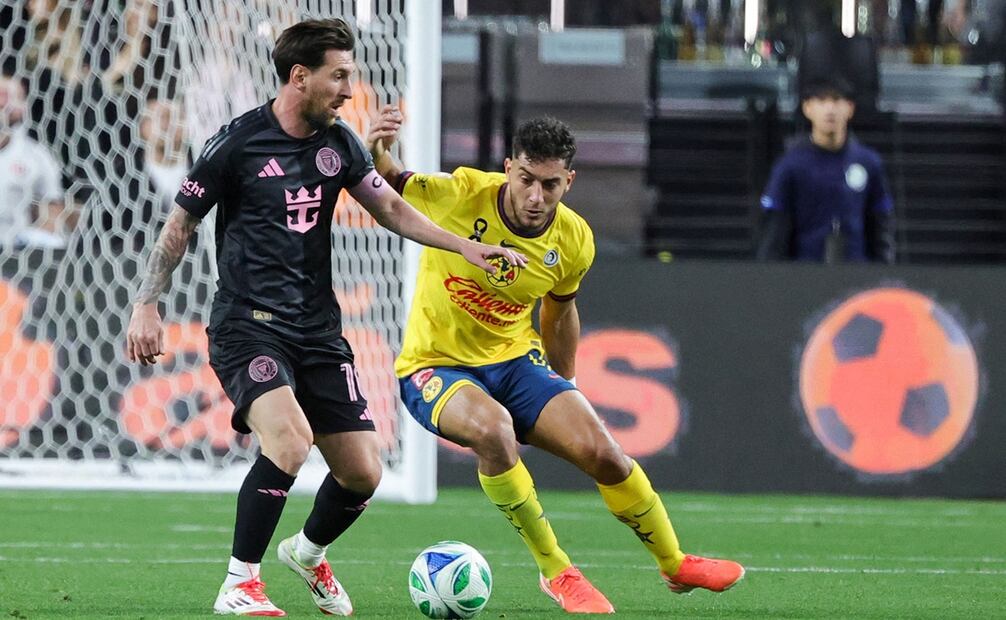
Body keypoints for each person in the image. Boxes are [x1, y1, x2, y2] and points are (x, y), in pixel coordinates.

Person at [124, 18, 526, 617]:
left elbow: (387, 205)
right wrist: (146, 303)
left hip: (318, 332)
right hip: (247, 326)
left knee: (364, 473)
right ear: (299, 77)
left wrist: (463, 245)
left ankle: (307, 553)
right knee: (288, 440)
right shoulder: (235, 145)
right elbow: (179, 226)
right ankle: (238, 583)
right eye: (340, 76)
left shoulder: (340, 143)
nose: (348, 88)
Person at [367, 110, 745, 614]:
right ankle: (556, 571)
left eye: (549, 184)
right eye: (525, 179)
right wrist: (378, 150)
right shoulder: (460, 193)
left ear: (569, 180)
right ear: (508, 168)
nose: (535, 196)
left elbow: (561, 313)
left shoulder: (573, 240)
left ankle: (674, 562)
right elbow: (390, 183)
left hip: (515, 362)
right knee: (495, 431)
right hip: (434, 366)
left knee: (603, 451)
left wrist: (563, 386)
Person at [756, 76, 895, 263]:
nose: (830, 109)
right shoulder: (789, 166)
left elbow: (881, 228)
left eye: (837, 100)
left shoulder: (868, 163)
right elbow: (774, 233)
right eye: (821, 101)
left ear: (850, 108)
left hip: (857, 276)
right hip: (804, 275)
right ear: (808, 108)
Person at [0, 76, 68, 249]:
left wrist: (37, 236)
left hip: (13, 250)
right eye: (3, 95)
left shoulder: (36, 155)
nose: (5, 103)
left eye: (17, 97)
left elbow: (53, 208)